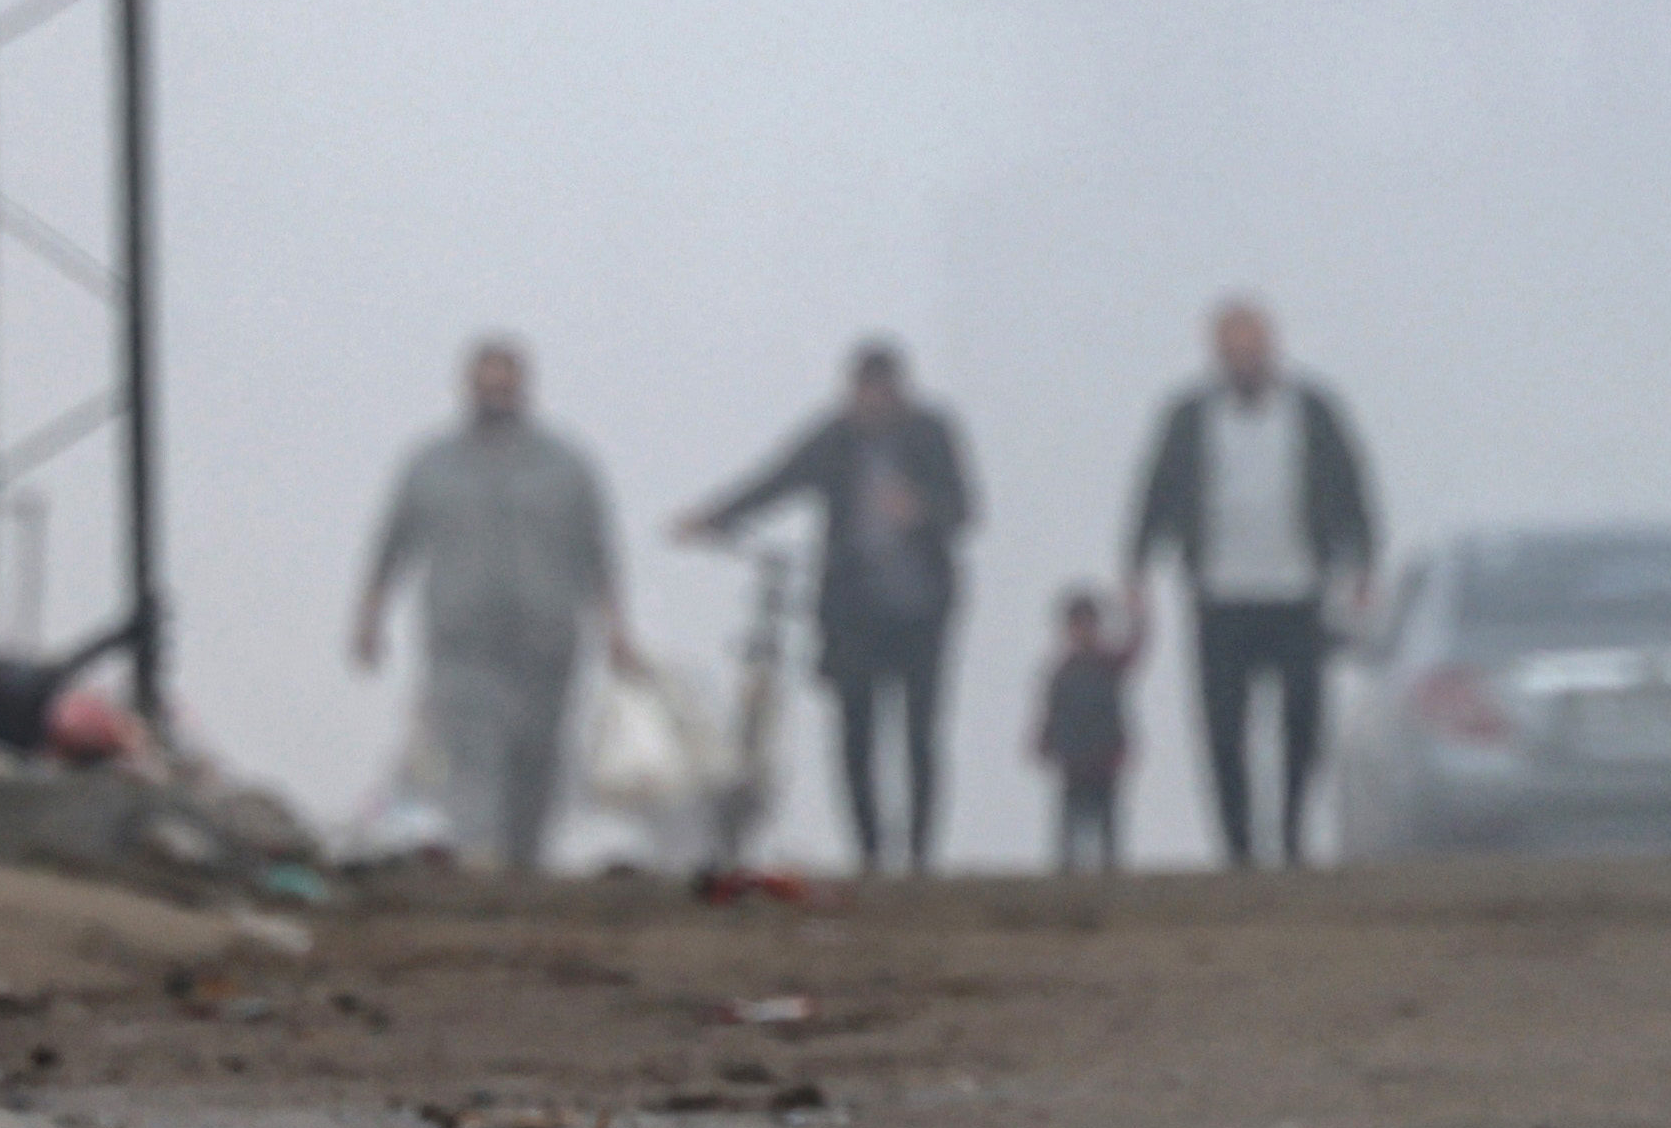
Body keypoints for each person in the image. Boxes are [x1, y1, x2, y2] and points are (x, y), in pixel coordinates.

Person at [680, 339, 981, 873]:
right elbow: (777, 478)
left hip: (922, 612)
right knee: (855, 736)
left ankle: (918, 858)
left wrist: (922, 509)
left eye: (882, 391)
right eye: (864, 391)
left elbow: (965, 509)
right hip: (852, 615)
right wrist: (715, 516)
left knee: (919, 736)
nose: (872, 402)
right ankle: (869, 854)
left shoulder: (932, 433)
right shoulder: (835, 438)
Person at [350, 337, 632, 871]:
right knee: (471, 749)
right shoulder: (430, 465)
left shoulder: (566, 466)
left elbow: (598, 554)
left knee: (537, 756)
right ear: (468, 388)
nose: (495, 394)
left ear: (523, 389)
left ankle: (525, 860)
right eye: (486, 384)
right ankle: (480, 853)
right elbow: (393, 545)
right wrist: (369, 619)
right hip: (461, 637)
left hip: (546, 638)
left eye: (505, 384)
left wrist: (617, 630)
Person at [1119, 297, 1378, 867]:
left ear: (1272, 351)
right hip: (1218, 596)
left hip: (1299, 593)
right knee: (1223, 730)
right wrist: (1136, 570)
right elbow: (1155, 493)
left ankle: (1289, 835)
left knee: (1304, 722)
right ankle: (1237, 847)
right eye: (1232, 353)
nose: (1245, 362)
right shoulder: (1188, 416)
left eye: (1253, 351)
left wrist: (1363, 565)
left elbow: (1351, 487)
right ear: (1216, 357)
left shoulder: (1313, 410)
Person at [1032, 584, 1140, 876]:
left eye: (1087, 623)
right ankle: (1067, 879)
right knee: (1070, 830)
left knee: (1107, 829)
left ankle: (1110, 877)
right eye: (1076, 624)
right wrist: (1043, 742)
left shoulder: (1109, 664)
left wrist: (1135, 611)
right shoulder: (1062, 672)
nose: (1082, 630)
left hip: (1104, 762)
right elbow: (1050, 713)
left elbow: (1136, 646)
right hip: (1073, 763)